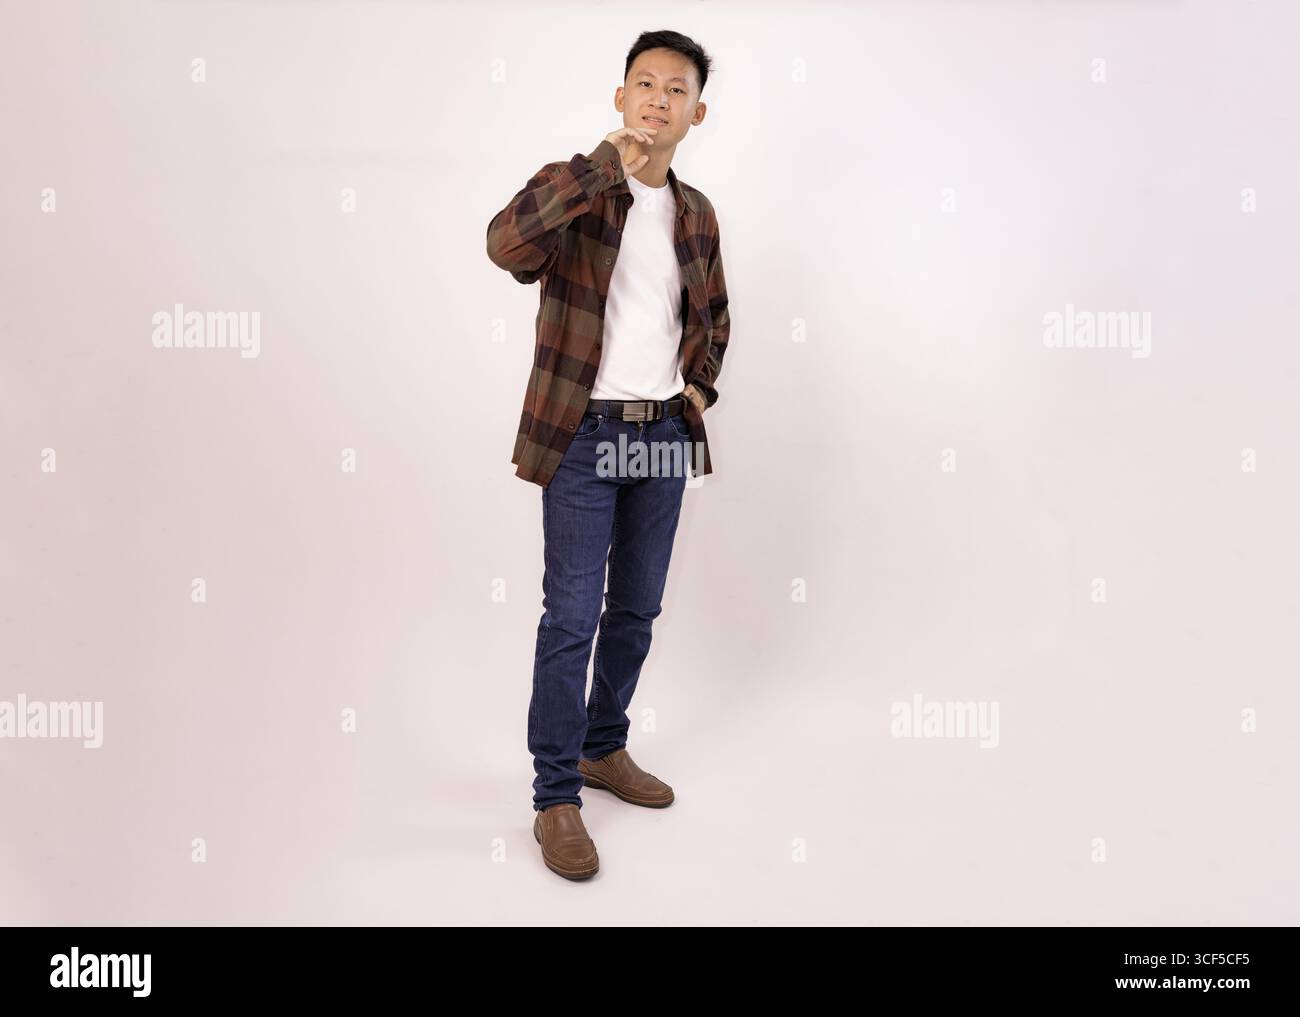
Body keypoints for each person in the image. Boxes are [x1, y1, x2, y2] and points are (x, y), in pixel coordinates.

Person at [485, 30, 732, 880]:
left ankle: (603, 747)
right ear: (621, 100)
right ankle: (556, 795)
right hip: (584, 434)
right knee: (571, 618)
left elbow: (715, 317)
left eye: (676, 89)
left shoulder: (696, 211)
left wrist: (696, 390)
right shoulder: (581, 192)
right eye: (643, 85)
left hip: (664, 433)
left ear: (697, 113)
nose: (658, 99)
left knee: (636, 610)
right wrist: (597, 166)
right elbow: (504, 243)